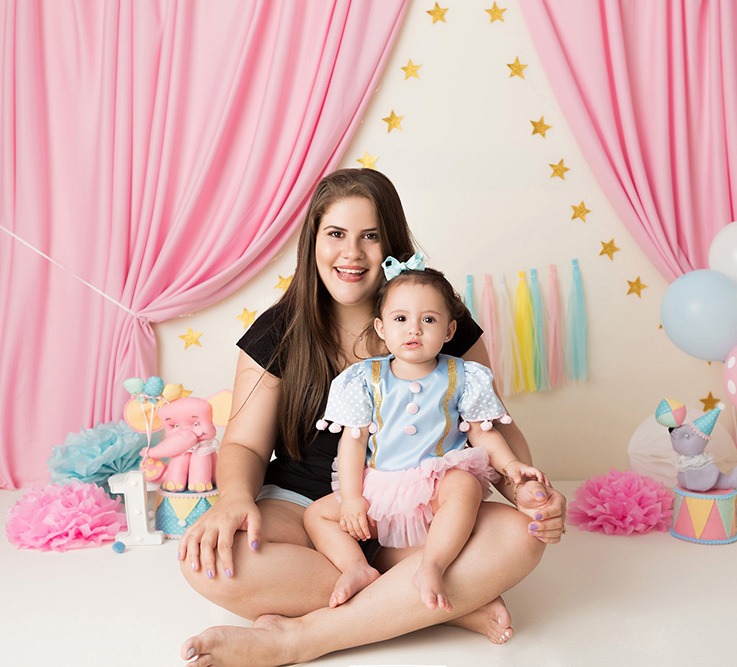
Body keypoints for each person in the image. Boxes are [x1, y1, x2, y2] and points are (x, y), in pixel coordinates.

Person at [177, 168, 567, 666]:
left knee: (518, 538)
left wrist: (526, 492)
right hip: (307, 512)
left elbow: (491, 424)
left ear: (392, 244)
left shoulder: (435, 318)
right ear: (313, 241)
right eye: (336, 234)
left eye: (370, 236)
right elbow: (245, 445)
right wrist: (233, 499)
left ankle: (298, 637)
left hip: (415, 510)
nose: (352, 253)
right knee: (209, 562)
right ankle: (428, 606)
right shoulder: (278, 330)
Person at [304, 259, 549, 614]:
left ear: (449, 330)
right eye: (400, 319)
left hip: (437, 484)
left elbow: (482, 432)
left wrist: (512, 465)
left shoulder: (463, 376)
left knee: (464, 485)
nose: (414, 329)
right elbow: (352, 443)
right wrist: (354, 498)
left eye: (429, 320)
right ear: (381, 327)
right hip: (382, 487)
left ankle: (432, 565)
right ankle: (356, 567)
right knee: (317, 515)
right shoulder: (365, 379)